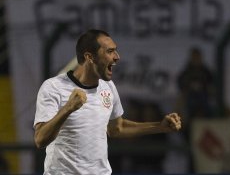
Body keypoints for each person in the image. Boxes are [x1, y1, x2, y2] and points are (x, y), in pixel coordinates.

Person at [33, 29, 181, 174]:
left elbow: (117, 128)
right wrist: (67, 109)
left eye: (115, 51)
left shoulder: (108, 87)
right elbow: (40, 139)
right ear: (90, 57)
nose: (117, 57)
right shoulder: (53, 87)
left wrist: (159, 126)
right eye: (110, 51)